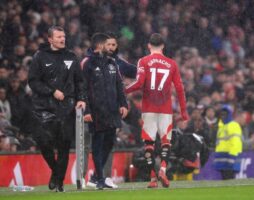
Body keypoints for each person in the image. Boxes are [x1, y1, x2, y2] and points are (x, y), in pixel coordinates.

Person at [125, 33, 189, 188]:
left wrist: (124, 91)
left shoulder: (144, 61)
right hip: (165, 109)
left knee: (149, 143)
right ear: (163, 46)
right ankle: (163, 169)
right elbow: (180, 88)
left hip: (149, 109)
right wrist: (183, 111)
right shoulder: (172, 64)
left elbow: (139, 83)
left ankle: (153, 177)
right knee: (166, 142)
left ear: (149, 46)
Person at [28, 26, 87, 192]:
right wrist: (52, 91)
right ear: (50, 39)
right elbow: (33, 81)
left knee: (64, 146)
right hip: (44, 108)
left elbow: (80, 81)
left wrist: (81, 99)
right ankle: (56, 171)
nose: (63, 39)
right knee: (44, 143)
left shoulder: (71, 56)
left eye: (64, 36)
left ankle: (59, 182)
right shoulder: (40, 57)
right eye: (59, 37)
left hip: (66, 108)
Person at [81, 33, 128, 190]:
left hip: (112, 110)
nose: (109, 48)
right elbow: (83, 88)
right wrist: (86, 110)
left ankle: (95, 177)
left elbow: (118, 85)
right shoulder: (87, 63)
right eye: (107, 44)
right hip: (96, 111)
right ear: (100, 46)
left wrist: (123, 104)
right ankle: (100, 178)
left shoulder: (111, 63)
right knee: (97, 143)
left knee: (109, 142)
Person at [213, 106, 245, 180]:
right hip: (222, 159)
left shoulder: (233, 125)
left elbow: (236, 143)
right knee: (225, 181)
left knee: (229, 180)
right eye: (222, 114)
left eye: (225, 114)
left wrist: (232, 158)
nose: (223, 116)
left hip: (229, 159)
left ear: (229, 115)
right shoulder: (221, 127)